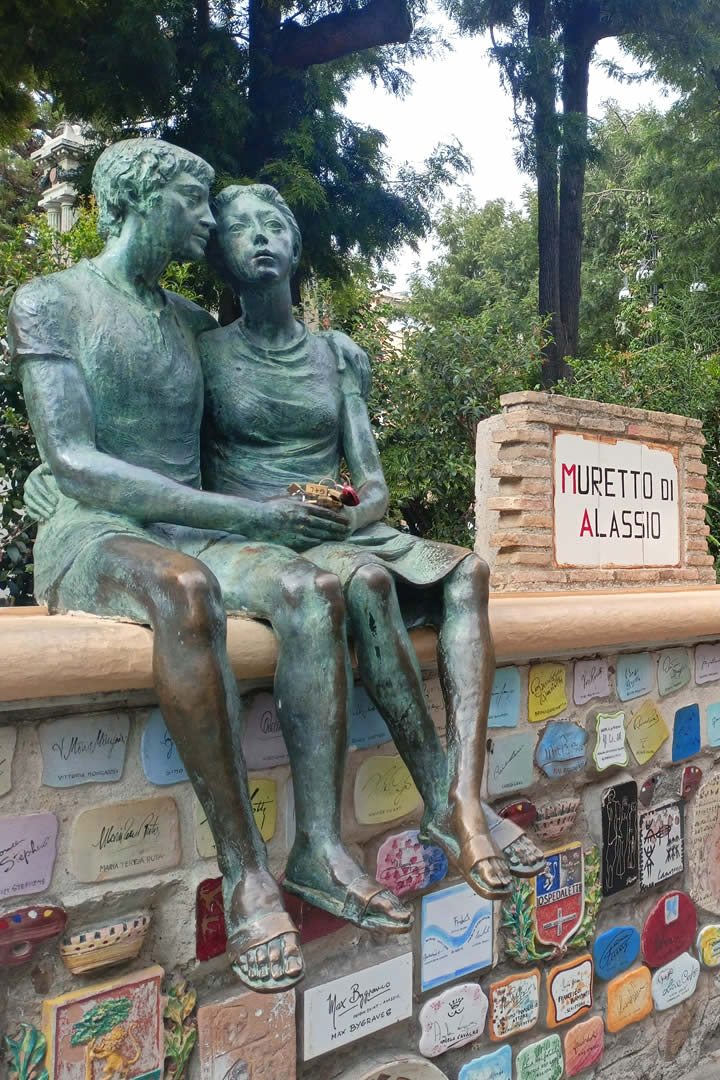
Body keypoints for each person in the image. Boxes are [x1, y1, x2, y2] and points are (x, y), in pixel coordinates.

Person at [10, 139, 411, 996]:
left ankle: (318, 847)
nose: (209, 222)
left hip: (190, 527)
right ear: (141, 200)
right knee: (185, 591)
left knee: (308, 590)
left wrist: (339, 362)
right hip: (95, 534)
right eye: (193, 204)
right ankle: (245, 871)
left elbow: (251, 396)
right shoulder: (48, 301)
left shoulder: (192, 325)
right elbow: (73, 459)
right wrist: (52, 481)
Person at [196, 183, 545, 898]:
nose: (259, 237)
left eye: (272, 224)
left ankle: (463, 796)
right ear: (221, 253)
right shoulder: (202, 353)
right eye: (240, 228)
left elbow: (375, 486)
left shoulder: (335, 355)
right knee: (369, 582)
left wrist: (350, 519)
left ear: (295, 246)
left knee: (469, 572)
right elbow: (176, 468)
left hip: (344, 523)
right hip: (262, 531)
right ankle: (448, 806)